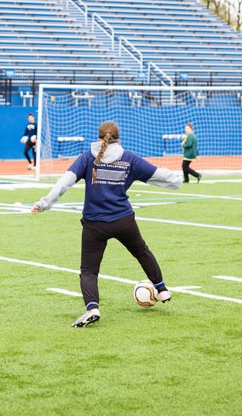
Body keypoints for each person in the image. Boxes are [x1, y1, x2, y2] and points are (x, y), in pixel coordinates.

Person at [31, 121, 182, 327]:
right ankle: (162, 289)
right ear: (118, 138)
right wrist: (176, 180)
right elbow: (159, 174)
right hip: (124, 221)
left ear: (99, 137)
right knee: (142, 252)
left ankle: (92, 308)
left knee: (89, 271)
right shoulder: (129, 159)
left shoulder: (87, 158)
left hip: (94, 225)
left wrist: (44, 204)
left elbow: (64, 183)